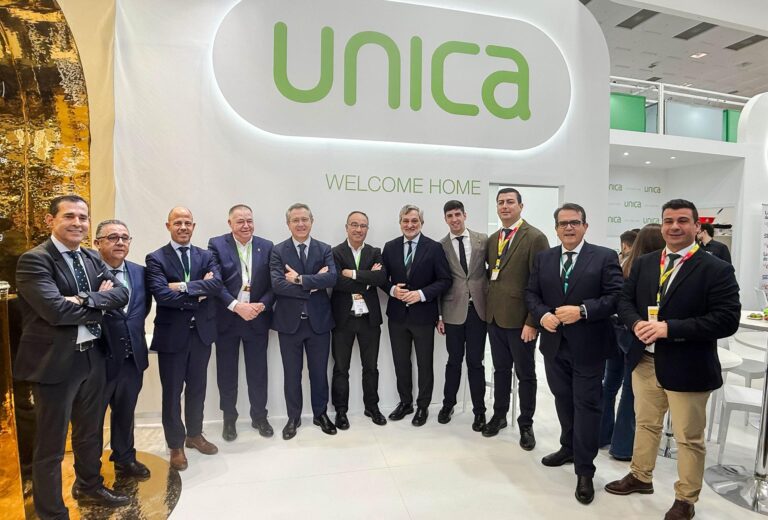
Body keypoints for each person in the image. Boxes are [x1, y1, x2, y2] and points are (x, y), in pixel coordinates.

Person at [606, 199, 741, 520]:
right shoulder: (645, 263)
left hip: (688, 364)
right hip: (644, 360)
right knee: (645, 424)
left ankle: (685, 498)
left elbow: (726, 320)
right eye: (668, 221)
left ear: (696, 226)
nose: (674, 227)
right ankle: (640, 476)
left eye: (682, 221)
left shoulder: (715, 268)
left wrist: (669, 328)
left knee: (688, 437)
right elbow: (624, 301)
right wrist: (635, 323)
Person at [15, 195, 130, 518]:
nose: (78, 223)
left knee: (90, 432)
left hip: (92, 356)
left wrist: (80, 299)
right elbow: (54, 311)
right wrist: (99, 302)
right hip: (55, 363)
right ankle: (51, 512)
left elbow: (121, 294)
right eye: (69, 216)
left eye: (83, 217)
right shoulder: (34, 260)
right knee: (51, 445)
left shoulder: (91, 257)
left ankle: (89, 487)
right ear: (50, 220)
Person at [526, 203, 623, 504]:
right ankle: (567, 447)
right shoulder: (544, 258)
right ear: (556, 228)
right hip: (554, 344)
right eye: (563, 223)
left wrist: (582, 311)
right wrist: (542, 315)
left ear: (585, 226)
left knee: (587, 405)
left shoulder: (604, 257)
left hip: (589, 346)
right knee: (563, 399)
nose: (569, 227)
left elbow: (616, 297)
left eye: (575, 222)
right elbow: (531, 294)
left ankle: (585, 470)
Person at [145, 207, 222, 471]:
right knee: (172, 392)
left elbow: (216, 285)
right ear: (168, 226)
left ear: (194, 226)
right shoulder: (156, 258)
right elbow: (161, 295)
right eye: (177, 222)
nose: (183, 227)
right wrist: (198, 293)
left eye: (187, 222)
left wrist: (181, 287)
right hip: (172, 337)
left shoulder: (206, 256)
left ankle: (194, 435)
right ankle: (175, 444)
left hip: (201, 334)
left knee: (197, 388)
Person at [483, 188, 549, 450]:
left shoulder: (535, 237)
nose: (505, 206)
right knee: (500, 370)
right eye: (500, 202)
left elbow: (541, 282)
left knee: (526, 374)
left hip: (522, 322)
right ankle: (499, 415)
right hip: (495, 317)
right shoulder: (493, 239)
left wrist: (533, 321)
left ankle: (525, 423)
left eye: (510, 202)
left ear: (521, 206)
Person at [270, 203, 338, 440]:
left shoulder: (324, 249)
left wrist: (299, 279)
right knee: (292, 374)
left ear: (312, 221)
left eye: (304, 219)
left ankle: (321, 414)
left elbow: (331, 278)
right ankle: (293, 417)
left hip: (319, 323)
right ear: (288, 223)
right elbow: (278, 285)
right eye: (295, 220)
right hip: (289, 324)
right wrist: (313, 283)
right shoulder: (278, 251)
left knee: (319, 373)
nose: (300, 224)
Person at [208, 204, 274, 441]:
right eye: (240, 221)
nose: (246, 225)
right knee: (227, 374)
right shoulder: (216, 245)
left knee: (258, 372)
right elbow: (215, 283)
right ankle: (229, 419)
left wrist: (261, 306)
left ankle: (260, 417)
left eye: (249, 220)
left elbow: (274, 284)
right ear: (230, 224)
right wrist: (237, 306)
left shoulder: (267, 246)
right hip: (228, 320)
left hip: (256, 318)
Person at [381, 204, 451, 426]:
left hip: (423, 315)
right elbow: (381, 278)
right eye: (406, 221)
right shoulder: (390, 247)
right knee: (401, 362)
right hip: (397, 316)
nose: (410, 225)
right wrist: (393, 290)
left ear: (421, 223)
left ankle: (423, 406)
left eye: (414, 221)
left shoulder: (434, 248)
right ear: (400, 222)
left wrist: (421, 294)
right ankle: (405, 403)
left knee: (424, 363)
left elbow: (445, 280)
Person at [600, 224, 664, 461]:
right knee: (630, 390)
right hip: (637, 335)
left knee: (609, 385)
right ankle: (623, 446)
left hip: (617, 331)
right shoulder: (652, 269)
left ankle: (601, 435)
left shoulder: (625, 264)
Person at [94, 219, 152, 479]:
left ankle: (125, 458)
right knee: (93, 419)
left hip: (132, 358)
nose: (120, 242)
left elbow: (141, 310)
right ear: (97, 243)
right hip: (99, 359)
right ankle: (89, 472)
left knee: (126, 412)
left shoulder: (140, 272)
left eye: (125, 238)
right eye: (112, 237)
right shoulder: (89, 273)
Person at [330, 211, 388, 428]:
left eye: (363, 225)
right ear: (346, 227)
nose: (358, 229)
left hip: (369, 319)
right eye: (354, 225)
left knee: (371, 367)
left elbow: (380, 278)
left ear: (367, 229)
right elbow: (336, 281)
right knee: (340, 368)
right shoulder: (335, 252)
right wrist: (367, 279)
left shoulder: (375, 252)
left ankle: (372, 407)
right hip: (342, 319)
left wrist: (352, 274)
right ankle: (341, 411)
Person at [436, 200, 488, 431]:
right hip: (452, 312)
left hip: (479, 310)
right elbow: (439, 281)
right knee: (453, 361)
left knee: (475, 362)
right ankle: (448, 405)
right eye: (450, 216)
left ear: (465, 215)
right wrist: (439, 316)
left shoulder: (482, 240)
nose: (454, 219)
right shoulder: (441, 246)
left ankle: (480, 411)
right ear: (445, 219)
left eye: (458, 214)